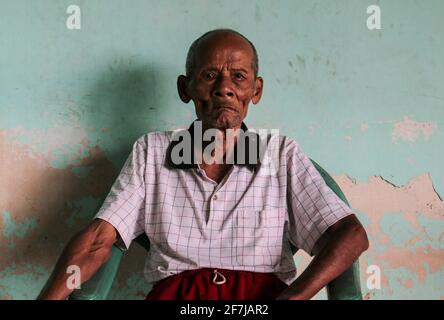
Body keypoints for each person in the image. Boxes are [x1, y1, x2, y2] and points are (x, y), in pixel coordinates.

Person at [38, 29, 369, 300]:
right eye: (210, 75)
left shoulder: (280, 154)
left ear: (256, 90)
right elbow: (99, 239)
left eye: (238, 77)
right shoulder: (152, 152)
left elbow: (350, 236)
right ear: (186, 88)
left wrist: (293, 298)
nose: (224, 88)